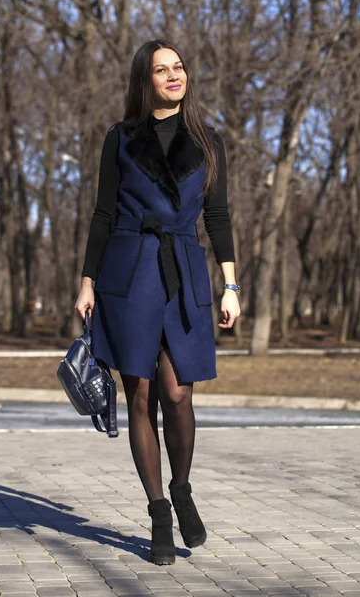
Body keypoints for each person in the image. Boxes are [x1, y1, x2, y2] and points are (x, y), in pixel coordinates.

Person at [75, 39, 241, 565]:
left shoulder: (208, 141)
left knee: (179, 393)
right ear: (144, 82)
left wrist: (231, 286)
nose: (174, 76)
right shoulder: (120, 139)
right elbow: (103, 213)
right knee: (141, 394)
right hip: (129, 271)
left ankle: (184, 488)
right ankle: (158, 511)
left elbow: (218, 218)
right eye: (161, 70)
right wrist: (86, 282)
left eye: (179, 67)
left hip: (184, 269)